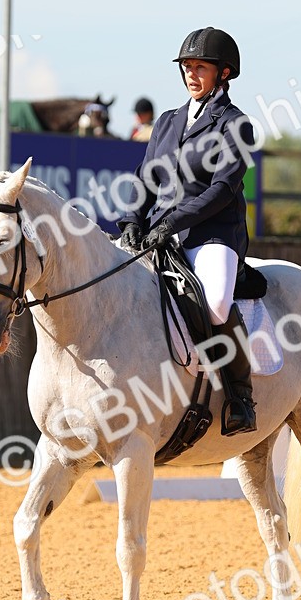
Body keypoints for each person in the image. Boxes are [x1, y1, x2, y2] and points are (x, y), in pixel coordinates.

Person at [117, 27, 257, 436]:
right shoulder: (166, 122)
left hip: (211, 234)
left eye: (201, 67)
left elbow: (221, 190)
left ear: (224, 73)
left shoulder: (235, 124)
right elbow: (145, 179)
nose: (191, 74)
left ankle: (239, 397)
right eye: (187, 67)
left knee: (214, 303)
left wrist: (170, 224)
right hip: (159, 231)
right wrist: (131, 222)